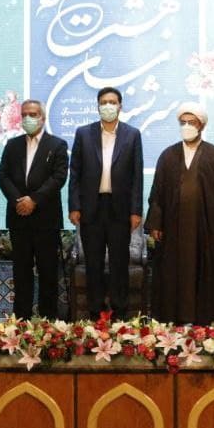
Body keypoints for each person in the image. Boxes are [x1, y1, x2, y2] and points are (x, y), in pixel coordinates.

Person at [147, 103, 214, 325]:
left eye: (191, 122)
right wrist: (156, 223)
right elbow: (157, 192)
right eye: (183, 122)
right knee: (173, 274)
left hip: (206, 229)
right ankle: (174, 321)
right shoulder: (168, 155)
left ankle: (205, 323)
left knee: (206, 275)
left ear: (201, 125)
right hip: (173, 229)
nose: (186, 126)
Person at [68, 86, 144, 319]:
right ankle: (95, 312)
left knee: (120, 263)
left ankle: (120, 312)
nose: (108, 106)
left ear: (120, 106)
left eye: (112, 102)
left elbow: (137, 175)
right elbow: (75, 173)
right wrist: (74, 206)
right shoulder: (84, 133)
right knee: (93, 263)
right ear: (97, 106)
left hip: (120, 208)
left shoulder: (132, 134)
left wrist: (136, 210)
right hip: (91, 207)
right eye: (103, 102)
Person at [0, 100, 69, 320]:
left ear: (43, 118)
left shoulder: (57, 145)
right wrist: (19, 201)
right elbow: (3, 175)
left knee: (48, 272)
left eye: (33, 114)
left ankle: (48, 320)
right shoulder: (13, 145)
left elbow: (58, 177)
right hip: (19, 217)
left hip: (46, 219)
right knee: (21, 272)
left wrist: (34, 200)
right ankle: (21, 319)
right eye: (25, 114)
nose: (28, 118)